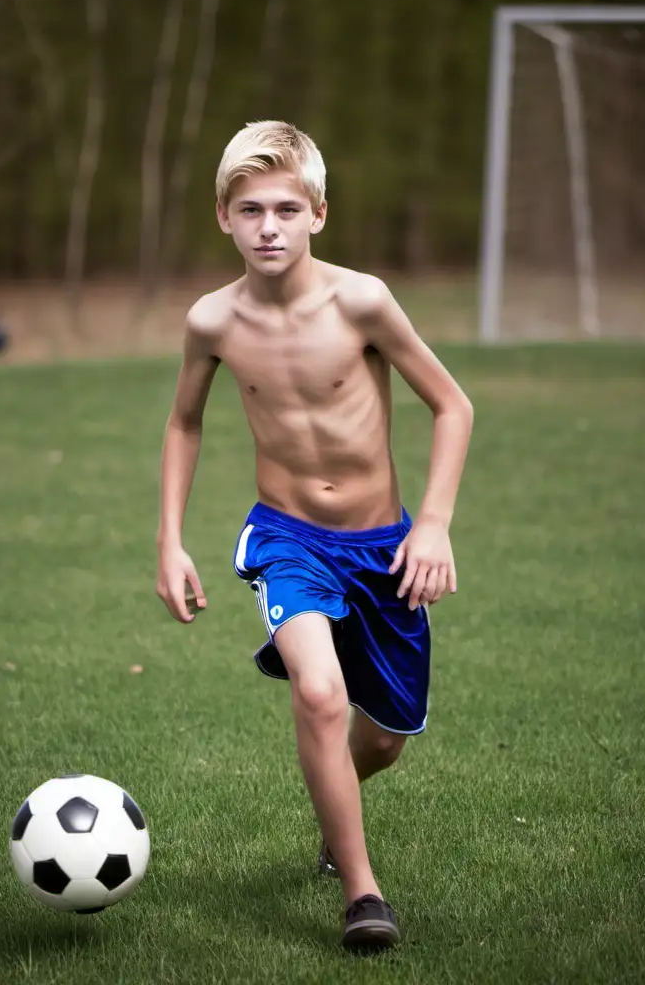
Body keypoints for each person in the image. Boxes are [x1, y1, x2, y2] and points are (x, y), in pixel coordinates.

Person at [155, 120, 473, 951]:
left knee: (387, 739)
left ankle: (335, 793)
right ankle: (363, 895)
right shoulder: (212, 321)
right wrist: (170, 539)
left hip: (383, 549)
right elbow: (183, 423)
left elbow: (454, 405)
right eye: (250, 209)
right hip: (287, 539)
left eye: (286, 209)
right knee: (321, 695)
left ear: (318, 215)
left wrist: (433, 523)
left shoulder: (361, 301)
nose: (268, 227)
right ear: (223, 216)